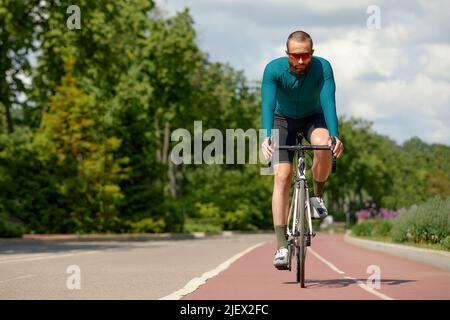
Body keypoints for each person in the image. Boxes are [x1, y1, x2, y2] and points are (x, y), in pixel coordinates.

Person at [260, 31, 344, 269]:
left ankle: (317, 196)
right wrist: (266, 136)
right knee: (283, 176)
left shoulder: (323, 68)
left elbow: (329, 101)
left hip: (312, 117)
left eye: (305, 55)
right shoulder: (273, 70)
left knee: (324, 143)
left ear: (312, 53)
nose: (300, 61)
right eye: (295, 55)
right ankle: (281, 246)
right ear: (287, 54)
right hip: (281, 119)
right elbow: (266, 102)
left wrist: (335, 135)